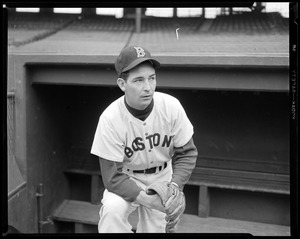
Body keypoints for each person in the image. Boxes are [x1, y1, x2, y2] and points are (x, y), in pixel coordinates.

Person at [91, 45, 198, 233]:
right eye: (139, 80)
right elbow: (112, 176)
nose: (148, 87)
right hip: (127, 177)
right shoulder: (110, 118)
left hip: (163, 177)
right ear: (122, 84)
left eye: (152, 78)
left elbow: (187, 153)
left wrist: (174, 187)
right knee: (112, 212)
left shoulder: (171, 106)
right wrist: (148, 200)